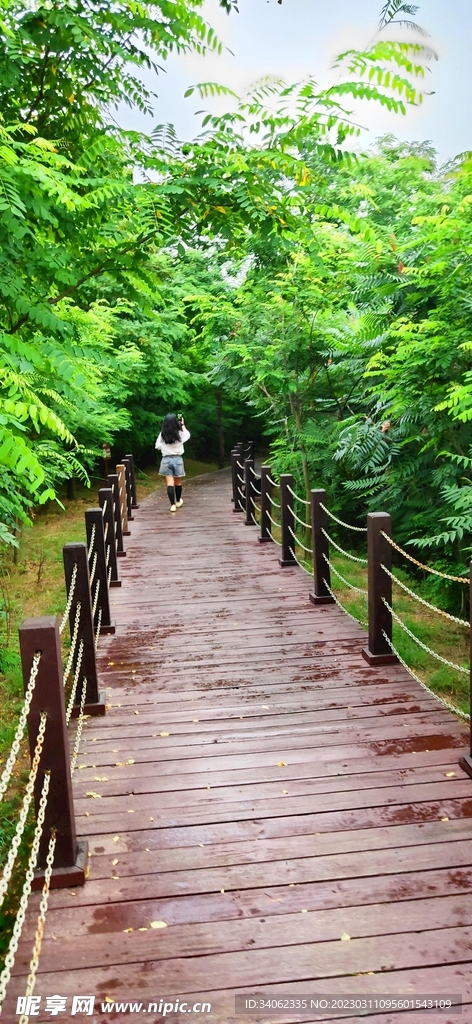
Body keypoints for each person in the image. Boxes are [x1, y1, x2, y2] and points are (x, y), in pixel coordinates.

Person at [155, 414, 191, 512]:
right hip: (177, 459)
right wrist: (182, 425)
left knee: (169, 483)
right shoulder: (180, 434)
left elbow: (157, 446)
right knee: (178, 482)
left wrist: (165, 446)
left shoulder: (162, 434)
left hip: (166, 460)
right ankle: (178, 501)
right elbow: (188, 435)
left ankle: (172, 505)